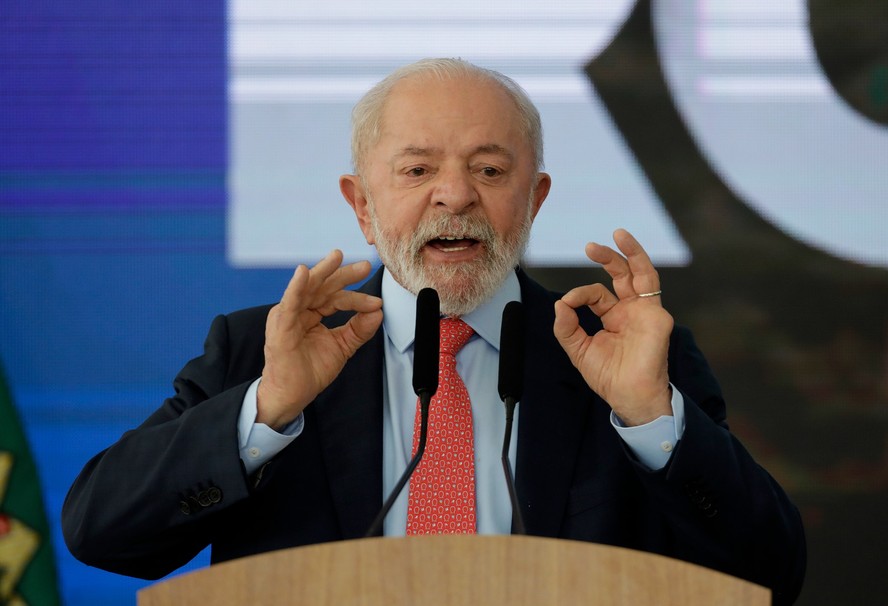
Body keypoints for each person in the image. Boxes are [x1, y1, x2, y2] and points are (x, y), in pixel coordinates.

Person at [62, 58, 805, 602]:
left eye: (490, 171)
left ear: (535, 199)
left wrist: (649, 418)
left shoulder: (625, 357)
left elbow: (768, 572)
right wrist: (267, 410)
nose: (455, 195)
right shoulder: (261, 351)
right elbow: (103, 533)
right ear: (362, 204)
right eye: (417, 171)